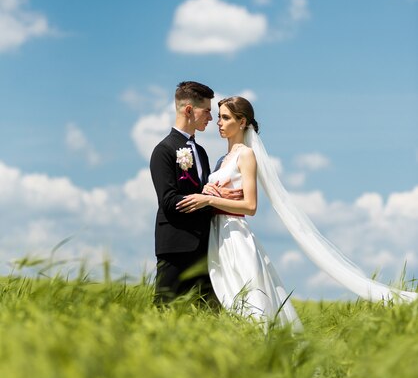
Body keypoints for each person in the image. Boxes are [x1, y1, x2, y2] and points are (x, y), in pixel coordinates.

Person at [177, 96, 417, 326]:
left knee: (248, 305)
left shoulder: (246, 155)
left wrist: (209, 200)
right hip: (217, 236)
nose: (219, 122)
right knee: (223, 301)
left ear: (242, 122)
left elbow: (250, 207)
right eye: (219, 117)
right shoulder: (221, 160)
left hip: (235, 237)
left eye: (226, 118)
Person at [150, 81, 242, 303]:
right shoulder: (164, 150)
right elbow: (169, 201)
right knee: (165, 311)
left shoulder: (200, 152)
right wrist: (206, 199)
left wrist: (215, 195)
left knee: (207, 315)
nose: (211, 119)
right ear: (189, 110)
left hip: (205, 248)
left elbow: (204, 192)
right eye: (207, 111)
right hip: (176, 246)